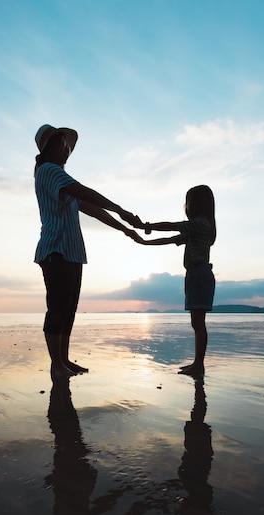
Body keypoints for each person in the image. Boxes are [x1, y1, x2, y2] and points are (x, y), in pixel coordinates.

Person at [34, 124, 142, 379]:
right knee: (58, 308)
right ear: (52, 146)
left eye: (69, 146)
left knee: (69, 309)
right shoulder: (49, 171)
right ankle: (56, 364)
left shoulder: (60, 179)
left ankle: (64, 360)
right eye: (64, 145)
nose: (68, 150)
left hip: (71, 252)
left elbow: (92, 208)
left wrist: (124, 228)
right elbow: (84, 192)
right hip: (55, 251)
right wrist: (121, 209)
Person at [138, 185, 216, 378]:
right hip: (195, 275)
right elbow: (173, 238)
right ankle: (197, 364)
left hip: (199, 275)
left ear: (196, 204)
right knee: (197, 323)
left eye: (187, 202)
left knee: (198, 323)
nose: (185, 206)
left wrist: (146, 226)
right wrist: (145, 242)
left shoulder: (200, 223)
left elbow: (172, 226)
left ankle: (199, 366)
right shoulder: (198, 227)